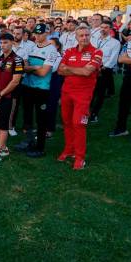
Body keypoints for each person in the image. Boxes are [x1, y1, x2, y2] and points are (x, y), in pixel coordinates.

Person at [57, 27, 103, 170]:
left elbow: (87, 72)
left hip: (83, 95)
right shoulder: (69, 51)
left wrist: (69, 69)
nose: (84, 38)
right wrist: (79, 71)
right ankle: (68, 150)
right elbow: (59, 70)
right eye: (81, 35)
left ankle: (80, 157)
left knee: (78, 124)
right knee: (67, 121)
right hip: (66, 92)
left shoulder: (96, 52)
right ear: (76, 37)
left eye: (87, 35)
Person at [14, 23, 58, 157]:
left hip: (41, 89)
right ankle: (29, 141)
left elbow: (44, 72)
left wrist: (31, 68)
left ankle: (40, 147)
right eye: (36, 33)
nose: (37, 36)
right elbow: (24, 66)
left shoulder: (52, 50)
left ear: (47, 33)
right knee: (27, 117)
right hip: (28, 86)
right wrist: (35, 68)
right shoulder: (33, 47)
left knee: (41, 118)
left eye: (40, 33)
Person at [0, 33, 24, 165]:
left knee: (4, 124)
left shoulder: (18, 60)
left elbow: (15, 82)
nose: (3, 45)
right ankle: (4, 148)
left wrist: (0, 94)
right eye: (1, 43)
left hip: (9, 97)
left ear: (12, 43)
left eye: (6, 42)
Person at [88, 22, 122, 123]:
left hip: (104, 70)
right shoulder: (93, 40)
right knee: (90, 91)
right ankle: (86, 110)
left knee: (100, 93)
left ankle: (94, 113)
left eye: (106, 27)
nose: (103, 29)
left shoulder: (115, 43)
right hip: (90, 68)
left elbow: (113, 58)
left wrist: (103, 67)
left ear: (110, 29)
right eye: (101, 27)